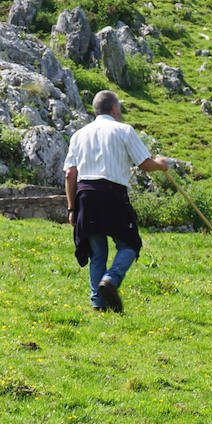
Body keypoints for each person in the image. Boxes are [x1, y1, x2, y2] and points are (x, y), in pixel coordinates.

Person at [64, 90, 170, 313]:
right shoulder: (123, 130)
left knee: (97, 252)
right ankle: (111, 280)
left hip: (85, 195)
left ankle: (98, 305)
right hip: (112, 194)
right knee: (130, 244)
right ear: (114, 109)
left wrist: (72, 208)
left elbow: (70, 175)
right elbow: (145, 164)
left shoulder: (78, 135)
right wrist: (161, 164)